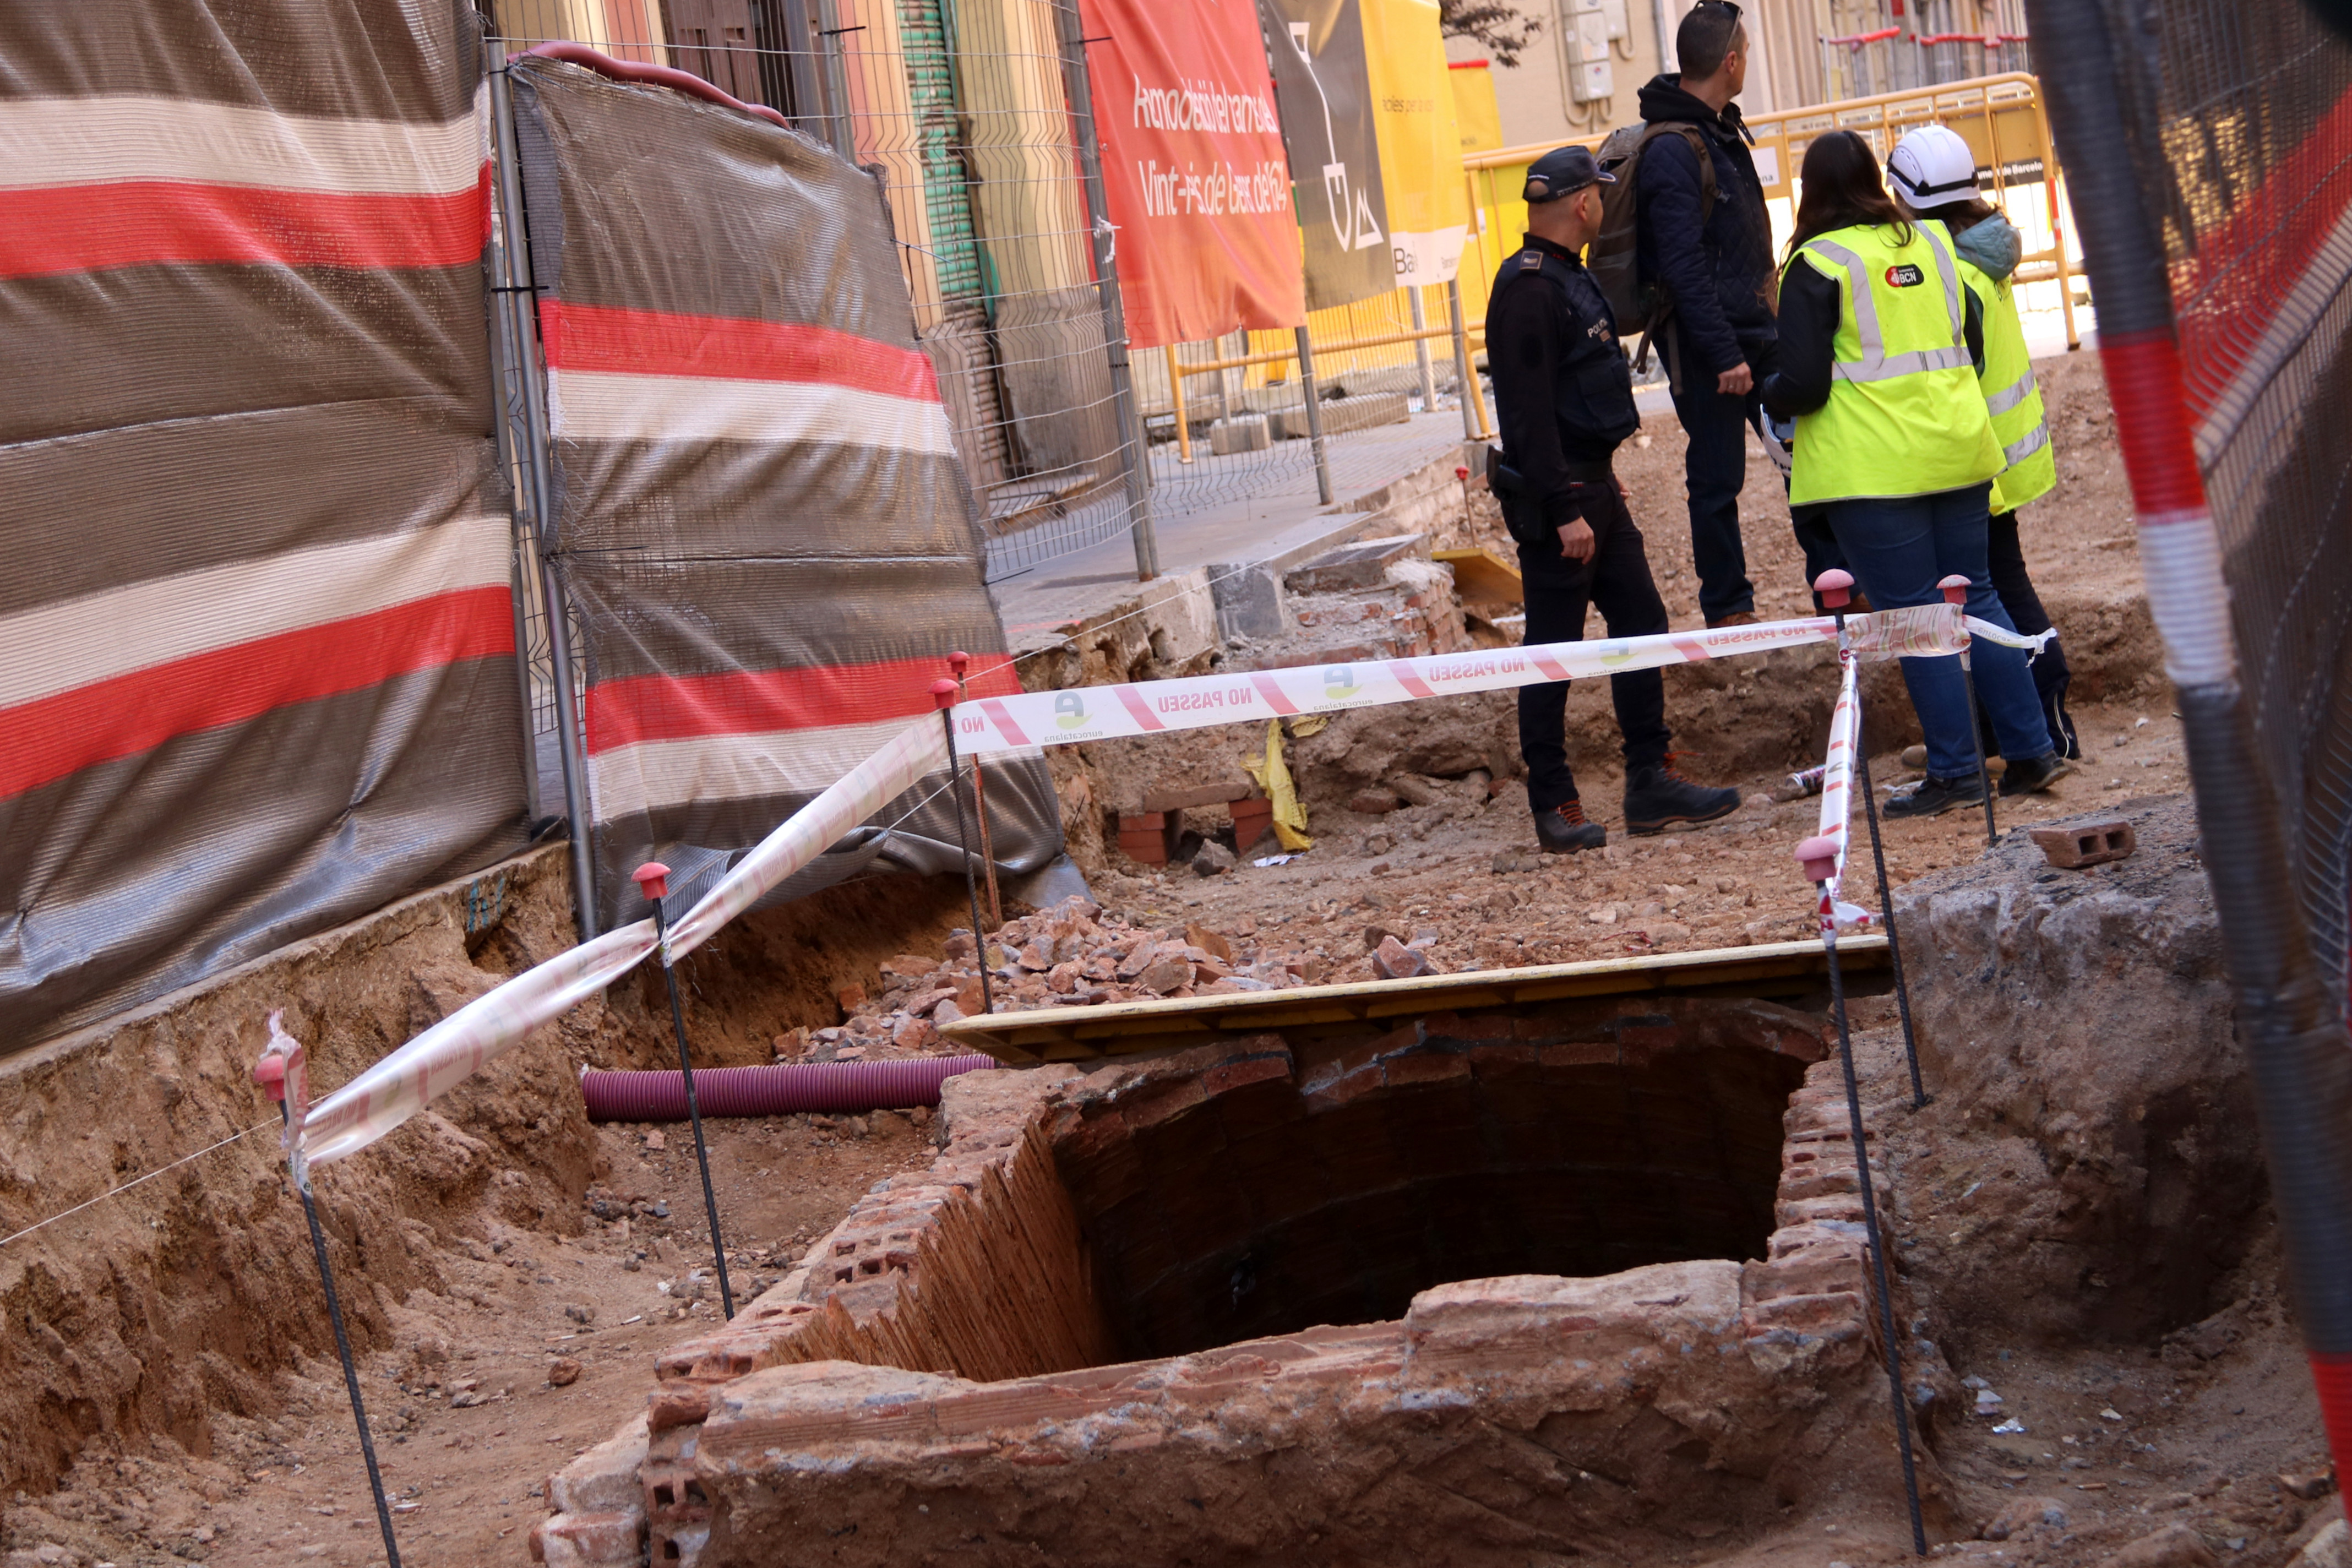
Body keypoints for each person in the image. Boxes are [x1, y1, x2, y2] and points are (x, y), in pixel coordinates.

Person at [1760, 129, 2070, 818]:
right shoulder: (1931, 243)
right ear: (1877, 181)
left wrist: (1767, 392)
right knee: (1978, 602)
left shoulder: (1816, 262)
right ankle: (2031, 752)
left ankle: (1957, 772)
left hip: (1874, 473)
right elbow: (1974, 339)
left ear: (1808, 193)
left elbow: (1804, 384)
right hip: (1959, 453)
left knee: (1918, 621)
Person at [1487, 145, 1741, 853]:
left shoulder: (1565, 275)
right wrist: (1565, 506)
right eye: (1598, 193)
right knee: (1554, 652)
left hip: (1593, 483)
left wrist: (1597, 479)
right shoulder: (1532, 288)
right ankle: (1554, 801)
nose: (1603, 202)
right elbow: (1527, 416)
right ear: (1580, 204)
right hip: (1561, 497)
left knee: (1641, 622)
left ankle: (1650, 782)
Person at [1886, 125, 2078, 759]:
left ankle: (2046, 713)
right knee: (1994, 586)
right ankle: (2006, 725)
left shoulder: (1947, 268)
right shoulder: (1979, 247)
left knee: (2000, 590)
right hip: (2001, 452)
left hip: (1976, 460)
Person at [1632, 0, 1784, 628]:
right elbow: (1683, 265)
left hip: (1759, 330)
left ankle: (1839, 581)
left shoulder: (1720, 127)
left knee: (1808, 455)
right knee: (1718, 476)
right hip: (1710, 346)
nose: (1746, 62)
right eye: (1745, 53)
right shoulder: (1673, 148)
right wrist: (1723, 353)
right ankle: (1727, 606)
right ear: (1730, 61)